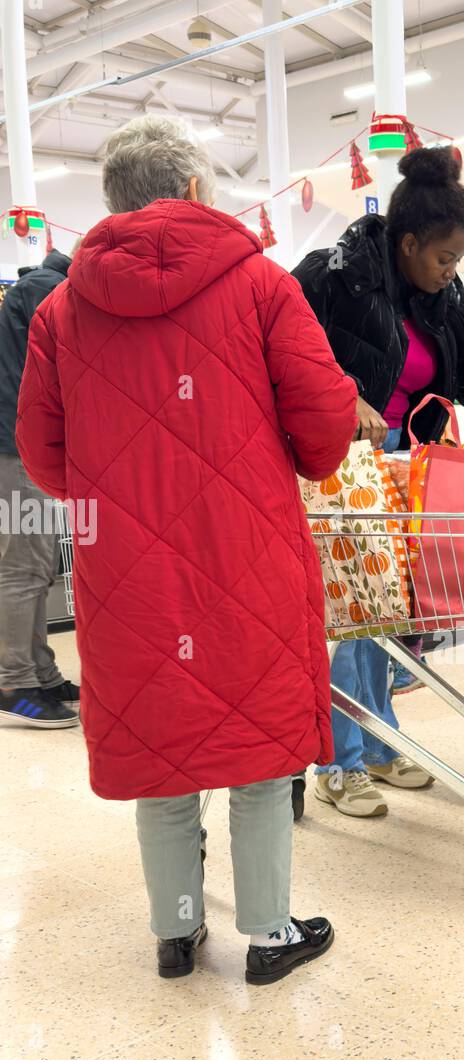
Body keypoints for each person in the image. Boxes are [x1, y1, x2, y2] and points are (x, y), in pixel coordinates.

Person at [16, 115, 358, 985]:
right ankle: (269, 934)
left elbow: (44, 455)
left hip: (124, 572)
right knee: (256, 745)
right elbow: (324, 428)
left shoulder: (60, 311)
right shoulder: (262, 286)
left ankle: (175, 933)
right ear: (200, 190)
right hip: (249, 554)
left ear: (113, 206)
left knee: (159, 741)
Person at [293, 145, 464, 818]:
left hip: (403, 475)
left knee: (386, 610)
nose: (451, 270)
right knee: (349, 618)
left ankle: (378, 744)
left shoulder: (444, 299)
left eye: (458, 259)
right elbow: (273, 347)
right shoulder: (331, 276)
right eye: (444, 258)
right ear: (408, 244)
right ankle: (338, 762)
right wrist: (337, 392)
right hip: (332, 477)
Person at [0, 244, 79, 729]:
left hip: (25, 443)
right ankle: (14, 683)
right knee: (24, 566)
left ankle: (42, 675)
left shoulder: (41, 286)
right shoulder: (47, 290)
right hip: (16, 445)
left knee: (38, 565)